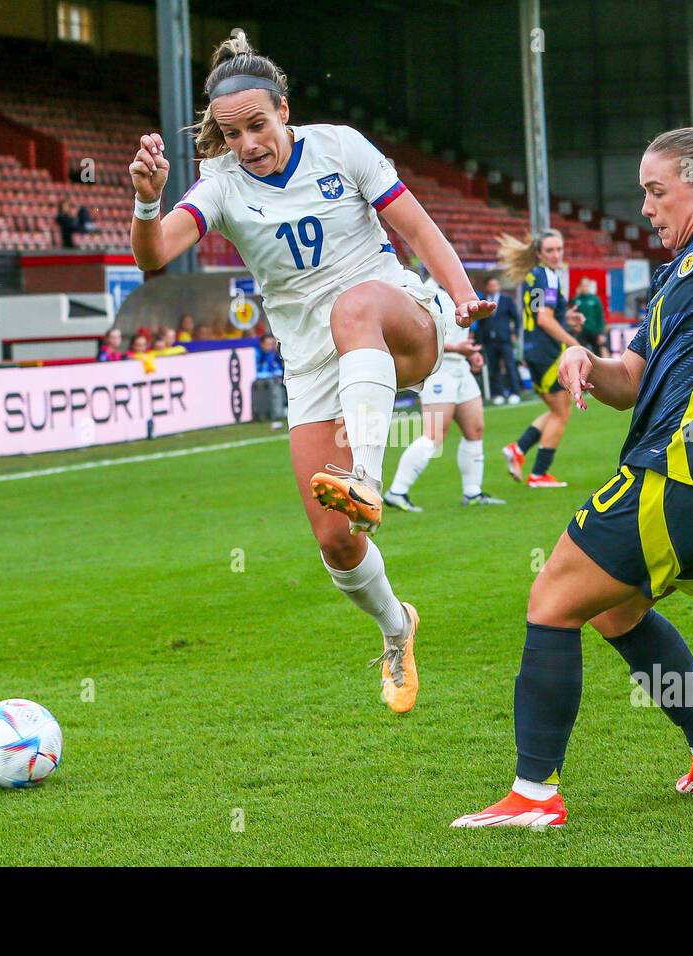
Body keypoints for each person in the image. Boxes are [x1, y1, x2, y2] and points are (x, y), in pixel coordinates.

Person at [452, 127, 693, 829]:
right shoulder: (677, 274)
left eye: (656, 190)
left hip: (684, 476)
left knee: (550, 598)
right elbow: (628, 382)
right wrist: (582, 361)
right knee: (614, 609)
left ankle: (534, 795)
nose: (645, 207)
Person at [128, 34, 493, 714]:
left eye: (258, 125)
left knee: (354, 307)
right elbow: (156, 254)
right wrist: (149, 201)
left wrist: (461, 293)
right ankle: (395, 627)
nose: (248, 143)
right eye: (233, 133)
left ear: (284, 112)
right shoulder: (223, 186)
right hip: (314, 365)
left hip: (395, 316)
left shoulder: (342, 147)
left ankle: (368, 477)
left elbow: (416, 227)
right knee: (335, 539)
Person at [384, 278, 505, 511]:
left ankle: (472, 493)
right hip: (438, 368)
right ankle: (397, 491)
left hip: (460, 366)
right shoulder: (422, 290)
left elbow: (459, 331)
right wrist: (457, 349)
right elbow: (418, 338)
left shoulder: (455, 289)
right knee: (434, 435)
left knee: (475, 430)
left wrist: (469, 354)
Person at [497, 229, 583, 489]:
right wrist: (574, 342)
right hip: (547, 352)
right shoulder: (548, 276)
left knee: (556, 410)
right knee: (562, 413)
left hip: (533, 350)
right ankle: (539, 474)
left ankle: (518, 448)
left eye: (559, 249)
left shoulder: (534, 276)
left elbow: (541, 314)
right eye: (550, 250)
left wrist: (569, 319)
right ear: (539, 254)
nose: (556, 255)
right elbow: (544, 318)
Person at [475, 275, 522, 405]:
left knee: (510, 365)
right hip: (489, 340)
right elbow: (480, 322)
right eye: (490, 285)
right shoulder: (483, 301)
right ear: (487, 287)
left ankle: (515, 392)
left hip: (505, 338)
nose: (493, 287)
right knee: (494, 368)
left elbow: (516, 318)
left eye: (495, 284)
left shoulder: (506, 300)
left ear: (499, 286)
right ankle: (499, 393)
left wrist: (515, 333)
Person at [572, 276, 606, 355]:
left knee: (598, 356)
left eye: (587, 285)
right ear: (580, 286)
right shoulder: (576, 300)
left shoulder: (595, 299)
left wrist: (601, 333)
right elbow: (572, 316)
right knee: (582, 354)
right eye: (583, 285)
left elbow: (600, 317)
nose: (585, 287)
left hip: (594, 331)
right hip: (581, 332)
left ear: (589, 286)